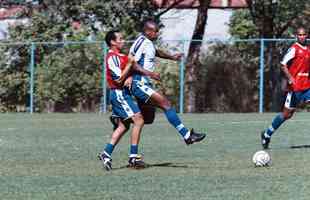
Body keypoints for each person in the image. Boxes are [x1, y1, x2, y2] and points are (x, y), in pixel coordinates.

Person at [128, 19, 206, 145]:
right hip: (139, 83)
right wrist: (150, 74)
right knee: (166, 104)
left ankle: (121, 120)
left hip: (144, 84)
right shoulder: (141, 42)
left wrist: (172, 57)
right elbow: (131, 63)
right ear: (147, 31)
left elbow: (156, 52)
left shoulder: (148, 43)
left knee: (147, 119)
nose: (157, 34)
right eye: (155, 31)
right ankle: (187, 135)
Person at [98, 30, 147, 170]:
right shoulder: (111, 57)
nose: (123, 40)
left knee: (123, 126)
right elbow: (119, 78)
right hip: (119, 94)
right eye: (120, 38)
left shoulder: (121, 56)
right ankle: (133, 157)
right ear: (113, 42)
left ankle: (106, 153)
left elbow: (129, 72)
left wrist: (130, 74)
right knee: (139, 120)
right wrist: (130, 67)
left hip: (123, 94)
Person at [261, 27, 310, 149]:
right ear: (296, 36)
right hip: (296, 87)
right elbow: (283, 64)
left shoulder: (308, 50)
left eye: (304, 35)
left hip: (307, 85)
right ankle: (267, 134)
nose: (302, 37)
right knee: (287, 115)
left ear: (306, 36)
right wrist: (289, 78)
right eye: (299, 35)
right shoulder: (294, 49)